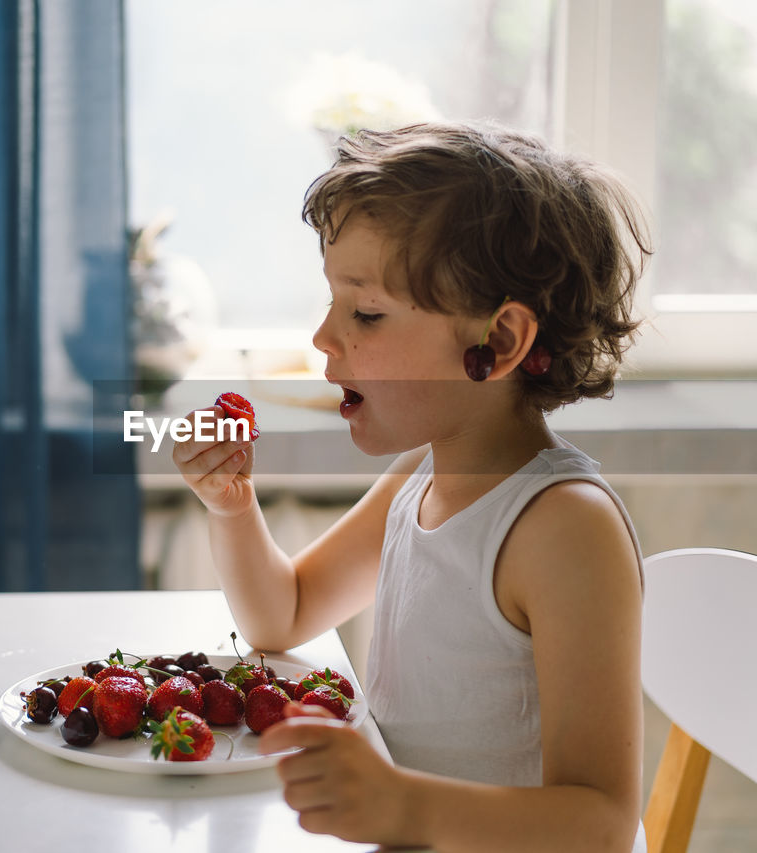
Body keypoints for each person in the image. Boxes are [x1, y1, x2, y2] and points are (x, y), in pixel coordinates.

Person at [172, 121, 652, 853]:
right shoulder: (422, 476)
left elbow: (604, 824)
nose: (324, 339)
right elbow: (284, 613)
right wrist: (231, 507)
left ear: (497, 343)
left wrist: (404, 805)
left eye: (365, 312)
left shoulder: (563, 529)